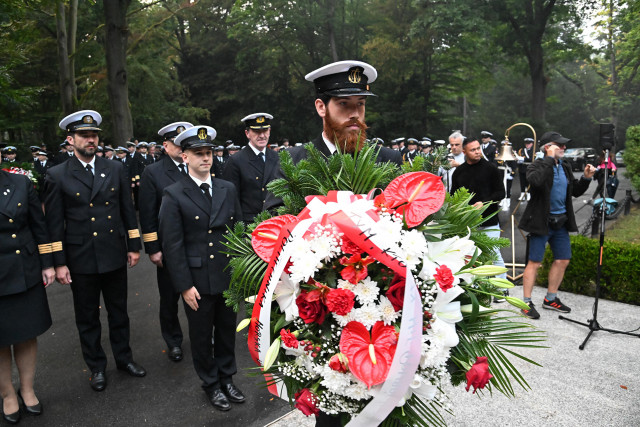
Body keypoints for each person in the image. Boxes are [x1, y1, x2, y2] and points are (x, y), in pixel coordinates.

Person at [44, 110, 146, 392]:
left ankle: (124, 359)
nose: (91, 140)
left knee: (119, 313)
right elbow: (54, 224)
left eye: (94, 135)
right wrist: (59, 262)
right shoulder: (57, 175)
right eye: (84, 135)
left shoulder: (114, 169)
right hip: (80, 257)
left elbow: (127, 210)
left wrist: (134, 245)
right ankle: (97, 367)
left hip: (113, 251)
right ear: (71, 139)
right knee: (87, 318)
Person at [159, 125, 245, 412]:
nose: (205, 158)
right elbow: (172, 245)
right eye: (198, 154)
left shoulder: (226, 188)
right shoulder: (174, 194)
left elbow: (238, 232)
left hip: (225, 273)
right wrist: (184, 285)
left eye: (209, 153)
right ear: (184, 157)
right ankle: (210, 383)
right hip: (196, 279)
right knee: (200, 335)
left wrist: (240, 272)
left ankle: (227, 377)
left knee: (225, 331)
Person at [0, 163, 56, 425]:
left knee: (26, 333)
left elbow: (39, 225)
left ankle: (27, 388)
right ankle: (7, 394)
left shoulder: (20, 183)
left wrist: (47, 264)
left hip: (25, 269)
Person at [518, 131, 595, 319]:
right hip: (541, 222)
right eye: (559, 145)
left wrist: (585, 178)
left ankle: (550, 299)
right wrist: (549, 159)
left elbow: (575, 192)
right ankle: (525, 303)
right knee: (534, 262)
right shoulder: (536, 166)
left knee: (563, 260)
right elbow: (535, 182)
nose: (564, 148)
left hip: (560, 222)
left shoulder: (565, 166)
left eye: (563, 145)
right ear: (548, 147)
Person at [139, 121, 192, 363]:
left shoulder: (197, 164)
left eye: (185, 144)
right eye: (177, 144)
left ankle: (202, 335)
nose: (182, 148)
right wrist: (153, 249)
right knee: (170, 298)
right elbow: (147, 214)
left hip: (195, 243)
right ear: (165, 145)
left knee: (199, 295)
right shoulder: (153, 172)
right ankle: (173, 341)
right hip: (169, 247)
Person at [285, 60, 402, 167]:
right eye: (343, 103)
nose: (355, 114)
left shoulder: (388, 160)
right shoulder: (292, 161)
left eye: (360, 103)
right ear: (321, 107)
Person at [450, 138, 508, 297]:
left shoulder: (491, 169)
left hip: (489, 221)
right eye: (473, 150)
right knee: (471, 257)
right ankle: (476, 290)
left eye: (478, 149)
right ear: (464, 152)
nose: (477, 152)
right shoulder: (458, 172)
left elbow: (501, 193)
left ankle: (502, 289)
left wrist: (485, 203)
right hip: (468, 224)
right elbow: (453, 196)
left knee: (494, 254)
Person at [222, 113, 280, 223]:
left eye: (265, 131)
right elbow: (231, 200)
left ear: (270, 131)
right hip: (249, 226)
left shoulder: (277, 157)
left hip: (275, 222)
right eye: (257, 132)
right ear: (247, 133)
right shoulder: (236, 160)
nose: (262, 135)